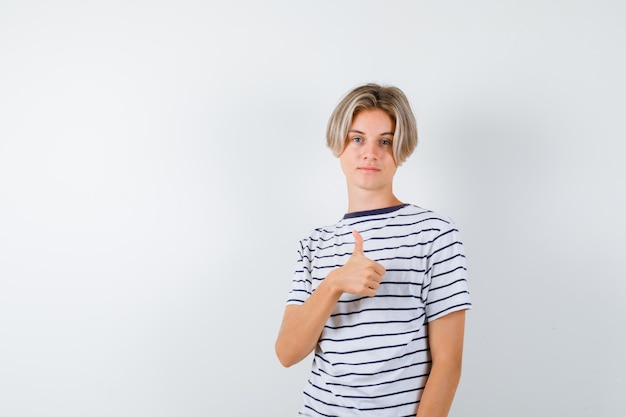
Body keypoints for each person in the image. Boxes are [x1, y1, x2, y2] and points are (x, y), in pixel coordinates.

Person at [275, 83, 471, 417]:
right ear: (340, 145)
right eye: (357, 139)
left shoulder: (435, 232)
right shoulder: (315, 243)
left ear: (401, 149)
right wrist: (335, 283)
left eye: (385, 141)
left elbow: (448, 363)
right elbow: (288, 352)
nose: (371, 152)